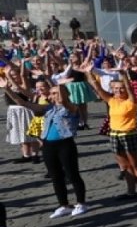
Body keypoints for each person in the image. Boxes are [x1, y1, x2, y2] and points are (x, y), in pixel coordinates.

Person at [2, 81, 88, 218]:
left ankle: (81, 203)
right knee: (56, 177)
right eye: (52, 93)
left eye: (56, 93)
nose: (53, 95)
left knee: (72, 175)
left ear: (65, 94)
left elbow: (65, 102)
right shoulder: (47, 108)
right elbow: (23, 103)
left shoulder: (71, 107)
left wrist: (60, 89)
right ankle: (63, 205)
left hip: (65, 144)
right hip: (48, 145)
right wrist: (7, 89)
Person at [86, 64, 137, 198]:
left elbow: (130, 89)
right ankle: (130, 192)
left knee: (136, 165)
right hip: (114, 135)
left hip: (129, 135)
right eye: (115, 88)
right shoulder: (111, 100)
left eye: (121, 88)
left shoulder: (131, 101)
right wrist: (88, 72)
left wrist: (123, 74)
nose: (118, 91)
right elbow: (97, 87)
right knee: (126, 167)